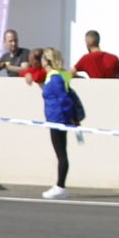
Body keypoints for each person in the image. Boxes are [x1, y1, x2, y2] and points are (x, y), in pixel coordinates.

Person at [38, 47, 78, 200]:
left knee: (61, 155)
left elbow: (64, 99)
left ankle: (60, 186)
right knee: (61, 154)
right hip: (55, 119)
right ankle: (60, 186)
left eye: (42, 58)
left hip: (58, 120)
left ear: (47, 60)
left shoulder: (55, 78)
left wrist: (67, 119)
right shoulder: (54, 76)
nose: (40, 61)